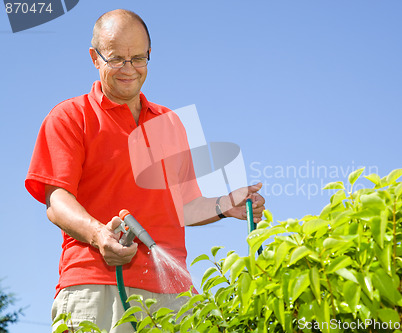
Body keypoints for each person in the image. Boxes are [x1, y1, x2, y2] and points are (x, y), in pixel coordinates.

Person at [25, 9, 265, 333]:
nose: (129, 69)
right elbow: (56, 201)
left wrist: (225, 205)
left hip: (174, 293)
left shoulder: (171, 123)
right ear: (95, 58)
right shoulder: (69, 116)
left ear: (149, 55)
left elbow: (186, 205)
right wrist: (99, 235)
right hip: (96, 286)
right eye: (116, 60)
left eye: (138, 58)